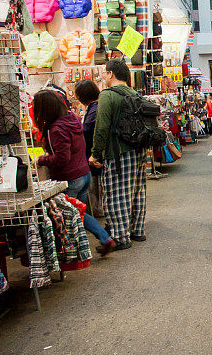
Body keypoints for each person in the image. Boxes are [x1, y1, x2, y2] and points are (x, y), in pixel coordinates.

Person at [33, 89, 116, 256]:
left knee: (75, 214)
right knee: (78, 213)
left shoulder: (56, 129)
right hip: (83, 173)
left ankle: (98, 241)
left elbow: (63, 157)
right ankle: (99, 240)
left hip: (70, 177)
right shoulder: (72, 119)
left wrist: (43, 160)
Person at [89, 59, 148, 250]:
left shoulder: (107, 95)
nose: (104, 77)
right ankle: (137, 230)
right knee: (137, 190)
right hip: (138, 148)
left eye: (105, 73)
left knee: (117, 194)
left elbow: (102, 126)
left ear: (111, 74)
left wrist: (95, 153)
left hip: (118, 152)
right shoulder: (134, 93)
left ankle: (121, 237)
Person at [74, 79, 105, 225]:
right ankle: (98, 208)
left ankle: (98, 209)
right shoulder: (95, 107)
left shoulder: (94, 108)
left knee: (96, 183)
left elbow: (88, 130)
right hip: (95, 153)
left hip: (94, 153)